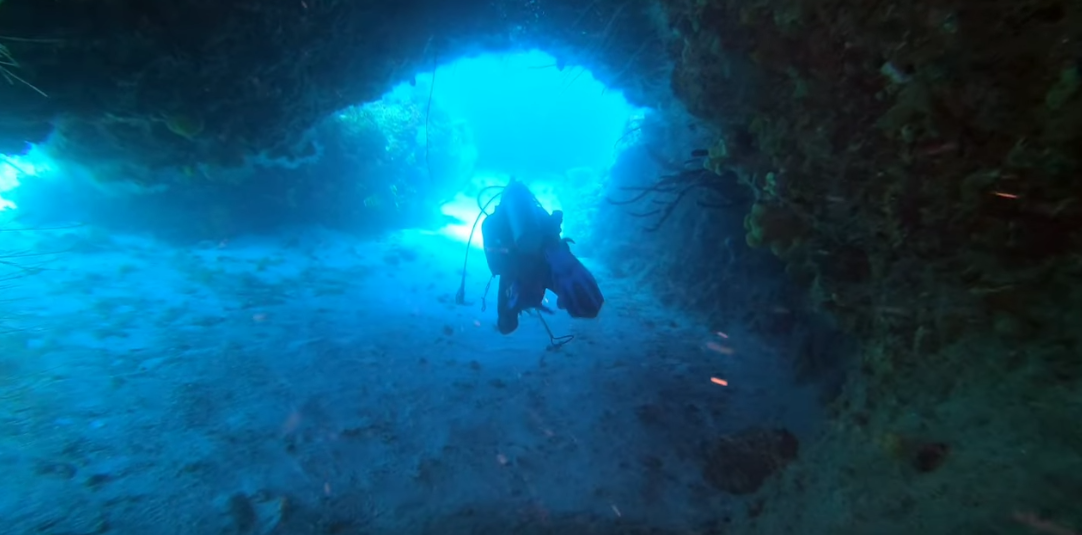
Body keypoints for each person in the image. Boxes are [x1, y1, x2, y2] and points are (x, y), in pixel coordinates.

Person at [479, 178, 604, 334]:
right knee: (565, 274)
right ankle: (583, 304)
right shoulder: (538, 213)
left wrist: (513, 270)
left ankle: (507, 320)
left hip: (515, 272)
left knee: (506, 322)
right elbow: (554, 237)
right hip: (546, 265)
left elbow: (496, 266)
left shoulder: (490, 222)